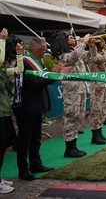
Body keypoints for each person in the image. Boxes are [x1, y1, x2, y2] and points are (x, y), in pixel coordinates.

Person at [15, 37, 62, 181]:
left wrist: (52, 74)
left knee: (36, 138)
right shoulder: (24, 62)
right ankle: (23, 170)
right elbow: (33, 84)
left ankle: (36, 163)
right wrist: (53, 75)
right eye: (43, 50)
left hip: (36, 106)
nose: (45, 53)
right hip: (27, 107)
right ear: (37, 50)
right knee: (24, 140)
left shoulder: (37, 62)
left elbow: (40, 79)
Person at [48, 31, 91, 158]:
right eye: (69, 37)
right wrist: (83, 42)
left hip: (81, 89)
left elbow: (89, 57)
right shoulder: (63, 56)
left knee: (79, 116)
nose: (73, 38)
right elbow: (73, 57)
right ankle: (69, 148)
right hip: (72, 90)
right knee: (71, 116)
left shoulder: (75, 51)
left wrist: (92, 45)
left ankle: (74, 146)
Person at [0, 29, 23, 193]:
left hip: (5, 113)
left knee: (3, 147)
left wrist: (20, 54)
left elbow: (18, 71)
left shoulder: (2, 72)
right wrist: (2, 40)